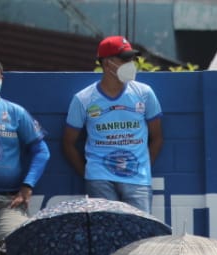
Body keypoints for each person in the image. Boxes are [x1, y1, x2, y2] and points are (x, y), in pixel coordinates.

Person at [62, 36, 162, 213]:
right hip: (99, 179)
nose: (131, 64)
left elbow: (157, 137)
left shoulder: (145, 93)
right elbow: (68, 143)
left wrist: (144, 166)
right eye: (124, 59)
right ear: (107, 64)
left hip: (138, 179)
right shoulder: (83, 99)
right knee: (105, 235)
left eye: (131, 58)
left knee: (141, 236)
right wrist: (90, 174)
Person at [0, 57, 50, 251]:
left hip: (6, 203)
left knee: (22, 240)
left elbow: (41, 151)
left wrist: (27, 186)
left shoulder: (15, 112)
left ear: (2, 79)